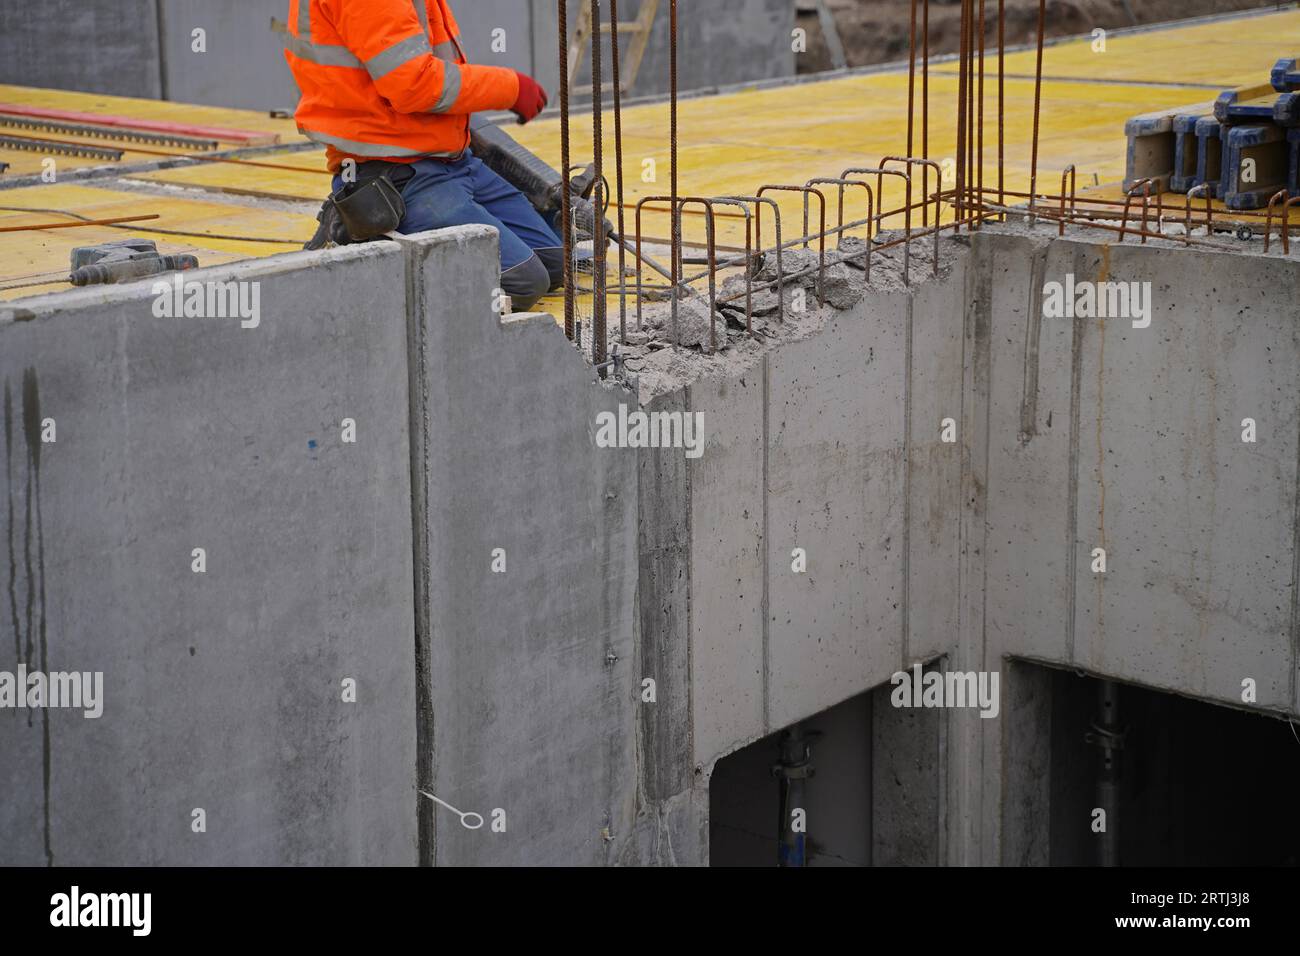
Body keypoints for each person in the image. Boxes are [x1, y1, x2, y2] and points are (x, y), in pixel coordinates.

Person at [285, 0, 563, 309]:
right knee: (521, 282)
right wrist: (509, 88)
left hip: (450, 158)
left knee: (553, 262)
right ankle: (359, 228)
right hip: (395, 169)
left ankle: (376, 223)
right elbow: (412, 84)